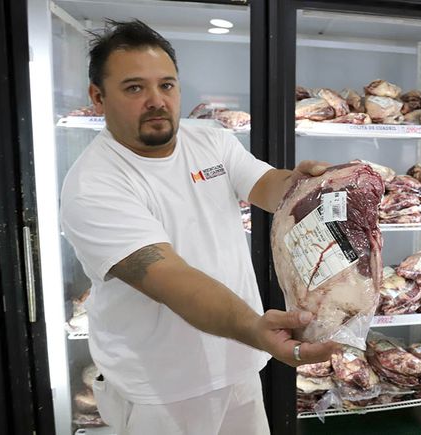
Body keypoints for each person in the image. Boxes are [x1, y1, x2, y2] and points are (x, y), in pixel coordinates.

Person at [60, 20, 337, 434]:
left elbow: (265, 185)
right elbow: (171, 279)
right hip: (162, 386)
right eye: (135, 88)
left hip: (239, 362)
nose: (156, 101)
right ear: (98, 98)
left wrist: (304, 186)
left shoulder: (210, 141)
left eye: (167, 85)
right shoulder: (94, 184)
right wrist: (255, 328)